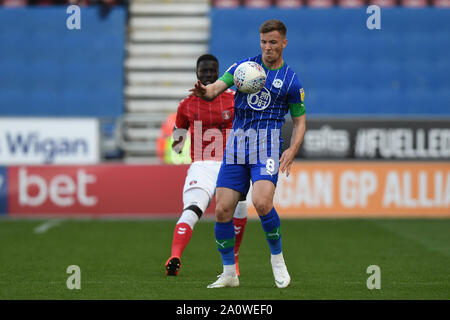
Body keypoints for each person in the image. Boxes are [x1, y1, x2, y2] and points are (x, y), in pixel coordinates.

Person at [190, 20, 306, 288]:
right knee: (222, 209)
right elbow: (215, 89)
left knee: (262, 202)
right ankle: (229, 273)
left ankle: (277, 260)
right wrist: (203, 92)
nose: (268, 48)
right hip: (237, 145)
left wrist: (292, 148)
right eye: (264, 42)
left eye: (273, 43)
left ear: (284, 43)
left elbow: (300, 121)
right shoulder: (244, 68)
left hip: (266, 145)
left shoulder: (290, 80)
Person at [165, 54, 248, 276]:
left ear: (219, 72)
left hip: (230, 164)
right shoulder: (186, 105)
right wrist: (177, 143)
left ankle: (235, 260)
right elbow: (179, 131)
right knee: (192, 210)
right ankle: (174, 256)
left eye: (212, 71)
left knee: (239, 206)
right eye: (204, 71)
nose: (208, 75)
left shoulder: (234, 98)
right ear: (197, 73)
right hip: (201, 165)